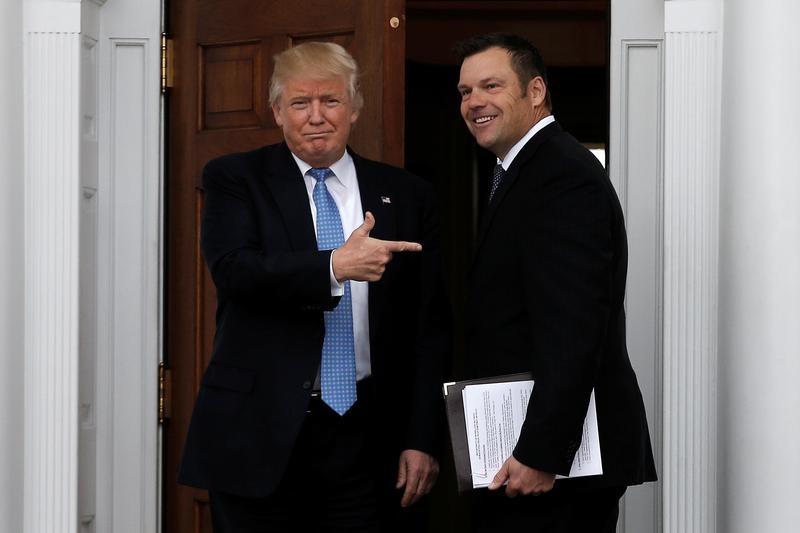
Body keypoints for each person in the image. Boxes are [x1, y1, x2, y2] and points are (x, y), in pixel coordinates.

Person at [178, 41, 451, 533]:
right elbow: (237, 273)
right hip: (260, 430)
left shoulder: (408, 194)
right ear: (278, 111)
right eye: (300, 103)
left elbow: (428, 327)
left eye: (330, 101)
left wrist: (421, 437)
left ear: (355, 108)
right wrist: (334, 266)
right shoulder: (236, 179)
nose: (316, 116)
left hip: (370, 437)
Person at [454, 32, 657, 532]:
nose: (474, 101)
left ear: (536, 91)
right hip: (523, 456)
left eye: (491, 86)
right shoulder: (520, 170)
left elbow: (575, 327)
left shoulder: (560, 174)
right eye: (464, 91)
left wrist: (542, 452)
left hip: (550, 468)